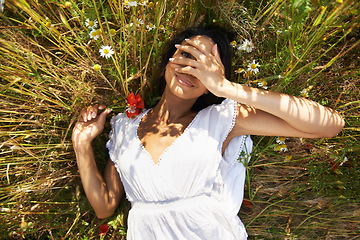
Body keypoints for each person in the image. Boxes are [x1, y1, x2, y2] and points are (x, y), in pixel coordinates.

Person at [72, 26, 344, 239]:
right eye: (187, 55)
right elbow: (105, 206)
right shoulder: (124, 127)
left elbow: (330, 124)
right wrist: (82, 145)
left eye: (205, 66)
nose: (191, 69)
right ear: (170, 59)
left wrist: (227, 88)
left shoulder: (221, 119)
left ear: (210, 84)